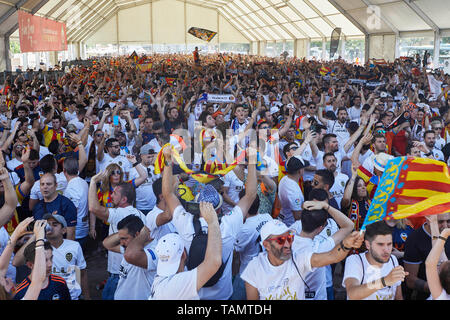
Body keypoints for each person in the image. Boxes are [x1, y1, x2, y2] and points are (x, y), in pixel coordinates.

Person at [161, 145, 257, 300]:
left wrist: (167, 161)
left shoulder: (185, 223)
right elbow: (251, 194)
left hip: (192, 296)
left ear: (198, 206)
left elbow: (167, 194)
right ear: (219, 209)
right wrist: (251, 160)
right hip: (223, 297)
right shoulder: (228, 225)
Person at [241, 219, 364, 300]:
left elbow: (332, 256)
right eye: (280, 240)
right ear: (266, 245)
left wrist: (347, 244)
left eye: (289, 238)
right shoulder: (254, 268)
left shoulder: (299, 258)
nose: (288, 244)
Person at [88, 172, 146, 300]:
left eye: (114, 193)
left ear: (124, 199)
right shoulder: (141, 214)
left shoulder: (120, 213)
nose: (111, 196)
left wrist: (93, 182)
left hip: (118, 272)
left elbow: (93, 208)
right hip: (132, 269)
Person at [149, 202, 222, 300]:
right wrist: (212, 221)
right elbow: (213, 263)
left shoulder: (159, 277)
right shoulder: (176, 286)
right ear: (183, 254)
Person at [288, 198, 354, 300]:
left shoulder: (286, 241)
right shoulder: (320, 247)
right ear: (321, 228)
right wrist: (325, 206)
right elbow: (349, 226)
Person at [343, 221, 408, 300]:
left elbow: (398, 297)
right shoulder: (355, 261)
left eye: (389, 244)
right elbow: (352, 293)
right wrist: (385, 281)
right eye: (380, 244)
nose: (386, 250)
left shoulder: (393, 260)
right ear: (368, 245)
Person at [102, 215, 157, 300]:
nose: (121, 243)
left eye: (124, 238)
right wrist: (122, 233)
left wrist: (142, 235)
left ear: (138, 235)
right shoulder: (129, 246)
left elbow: (130, 256)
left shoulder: (153, 251)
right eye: (120, 239)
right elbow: (107, 244)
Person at [13, 224, 71, 300]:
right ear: (30, 265)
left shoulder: (60, 283)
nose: (50, 264)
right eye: (44, 261)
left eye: (51, 258)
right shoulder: (21, 293)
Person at [403, 213, 450, 300]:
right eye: (440, 221)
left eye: (448, 221)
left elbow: (431, 263)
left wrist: (437, 288)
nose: (445, 225)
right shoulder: (414, 239)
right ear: (428, 220)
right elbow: (410, 280)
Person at [32, 173, 77, 240]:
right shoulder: (37, 207)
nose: (45, 187)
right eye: (42, 184)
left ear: (56, 185)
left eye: (48, 184)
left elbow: (71, 233)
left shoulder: (66, 204)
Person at [62, 156, 90, 251]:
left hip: (76, 233)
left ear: (64, 171)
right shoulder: (84, 182)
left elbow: (72, 213)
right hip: (84, 229)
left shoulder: (71, 189)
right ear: (77, 169)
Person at [277, 155, 309, 226]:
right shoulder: (294, 192)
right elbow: (298, 217)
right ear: (300, 171)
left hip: (283, 218)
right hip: (290, 225)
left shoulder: (284, 179)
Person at [425, 227, 450, 300]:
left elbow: (430, 264)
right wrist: (433, 222)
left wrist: (445, 233)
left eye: (438, 265)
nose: (442, 260)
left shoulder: (442, 297)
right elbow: (439, 249)